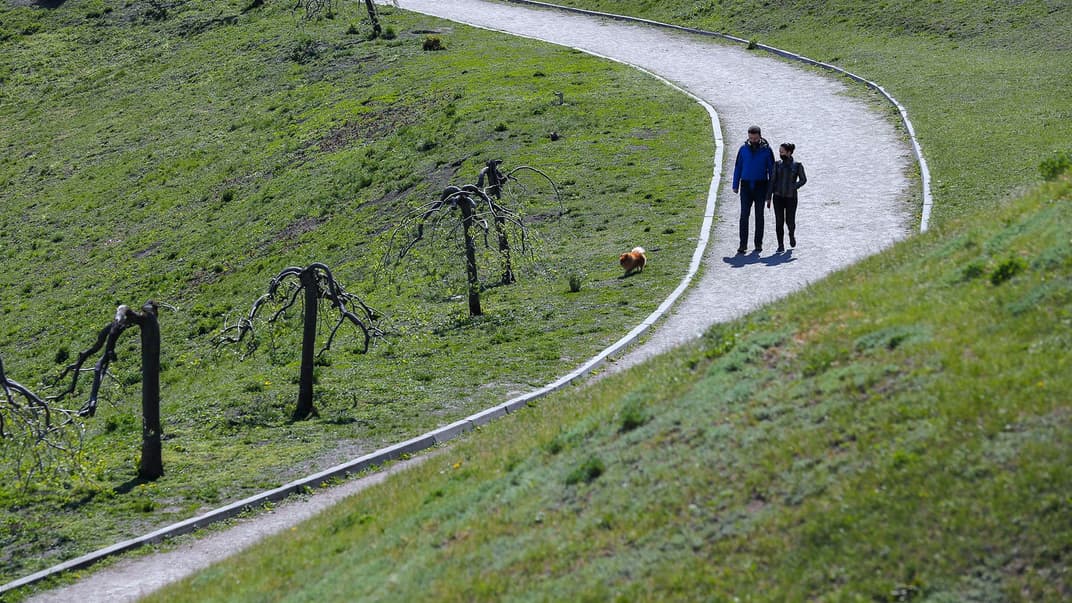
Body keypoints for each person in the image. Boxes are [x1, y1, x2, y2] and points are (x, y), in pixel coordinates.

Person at [732, 125, 775, 254]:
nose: (753, 141)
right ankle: (743, 244)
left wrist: (770, 191)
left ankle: (758, 243)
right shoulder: (743, 149)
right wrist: (735, 184)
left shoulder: (767, 150)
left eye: (755, 138)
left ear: (760, 137)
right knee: (744, 215)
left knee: (759, 215)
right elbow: (738, 166)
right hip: (745, 186)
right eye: (751, 138)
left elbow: (772, 171)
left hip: (761, 185)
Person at [767, 142, 807, 253]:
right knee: (779, 221)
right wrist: (768, 197)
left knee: (790, 221)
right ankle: (780, 244)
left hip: (791, 197)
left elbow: (803, 179)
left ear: (789, 152)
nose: (780, 154)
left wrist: (794, 186)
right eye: (780, 152)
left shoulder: (797, 165)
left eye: (782, 152)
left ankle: (791, 234)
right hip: (778, 196)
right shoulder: (777, 164)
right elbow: (772, 181)